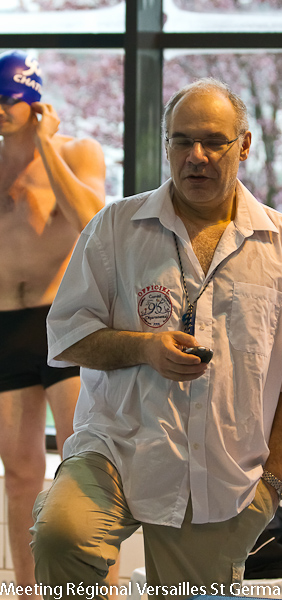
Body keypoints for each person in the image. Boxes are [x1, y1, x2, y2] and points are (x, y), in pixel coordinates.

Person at [31, 78, 282, 599]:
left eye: (214, 141)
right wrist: (143, 347)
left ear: (244, 145)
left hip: (220, 475)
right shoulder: (116, 228)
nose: (196, 156)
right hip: (116, 447)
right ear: (167, 144)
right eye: (182, 140)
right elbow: (67, 337)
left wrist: (273, 484)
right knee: (62, 537)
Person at [0, 49, 106, 595]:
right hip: (5, 327)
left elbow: (93, 218)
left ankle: (95, 590)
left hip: (60, 323)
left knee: (82, 470)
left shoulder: (76, 151)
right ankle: (26, 591)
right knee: (20, 477)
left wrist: (44, 146)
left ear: (34, 99)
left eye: (8, 99)